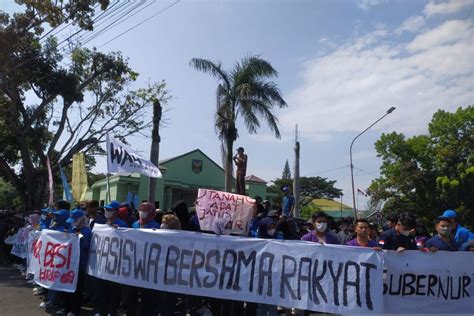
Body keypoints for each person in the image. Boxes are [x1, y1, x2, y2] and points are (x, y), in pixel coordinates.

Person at [60, 209, 92, 316]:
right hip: (68, 265)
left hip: (79, 266)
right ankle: (66, 308)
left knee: (76, 290)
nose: (73, 222)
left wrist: (79, 238)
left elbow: (86, 247)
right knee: (65, 288)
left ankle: (75, 310)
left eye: (75, 220)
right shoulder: (72, 229)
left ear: (81, 219)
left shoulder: (87, 231)